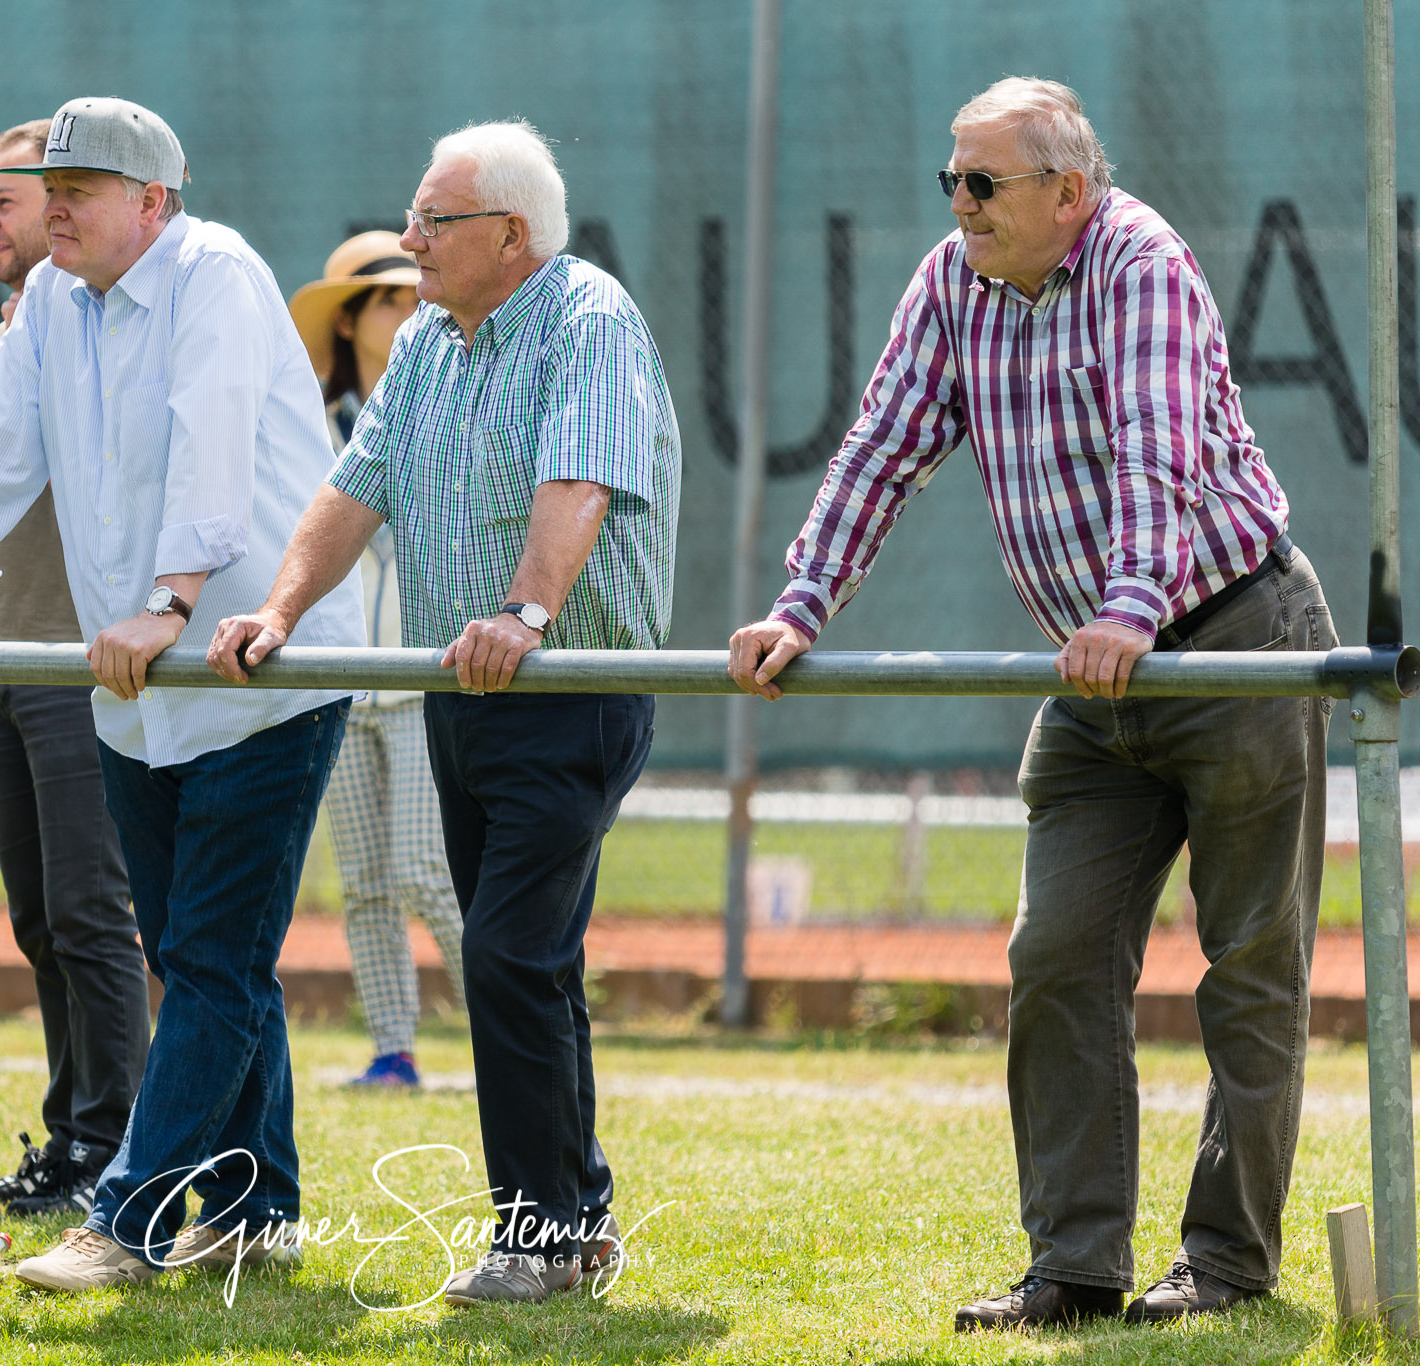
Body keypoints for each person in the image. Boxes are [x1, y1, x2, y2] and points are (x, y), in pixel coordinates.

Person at [725, 78, 1331, 1331]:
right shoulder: (951, 281)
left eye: (981, 183)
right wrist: (800, 603)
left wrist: (1126, 602)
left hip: (1227, 640)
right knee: (1053, 953)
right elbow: (881, 447)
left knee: (1249, 972)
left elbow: (1157, 451)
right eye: (949, 180)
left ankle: (1224, 1264)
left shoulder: (1140, 261)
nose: (959, 204)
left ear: (1069, 191)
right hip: (1092, 677)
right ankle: (1074, 1268)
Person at [0, 95, 361, 1290]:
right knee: (204, 953)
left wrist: (173, 597)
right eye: (54, 182)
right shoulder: (48, 308)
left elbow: (213, 440)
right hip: (133, 680)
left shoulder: (215, 275)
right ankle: (259, 1208)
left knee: (210, 956)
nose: (59, 203)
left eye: (85, 186)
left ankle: (127, 1219)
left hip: (258, 674)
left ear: (156, 202)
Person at [210, 120, 681, 1306]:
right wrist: (275, 609)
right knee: (532, 959)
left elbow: (575, 477)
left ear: (509, 235)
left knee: (509, 953)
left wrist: (524, 610)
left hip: (567, 688)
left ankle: (538, 1233)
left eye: (433, 222)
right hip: (463, 698)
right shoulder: (427, 339)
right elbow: (352, 487)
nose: (409, 239)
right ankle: (572, 1225)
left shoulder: (584, 317)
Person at [0, 118, 150, 1218]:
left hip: (76, 661)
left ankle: (109, 1149)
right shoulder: (10, 334)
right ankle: (71, 1135)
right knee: (38, 919)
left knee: (86, 910)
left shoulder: (97, 323)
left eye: (9, 200)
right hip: (0, 653)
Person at [286, 231, 464, 1089]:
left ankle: (505, 1022)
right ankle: (393, 1050)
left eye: (413, 294)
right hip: (339, 679)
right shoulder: (304, 425)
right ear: (351, 318)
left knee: (429, 868)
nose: (410, 308)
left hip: (427, 673)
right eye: (389, 299)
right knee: (363, 881)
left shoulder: (447, 401)